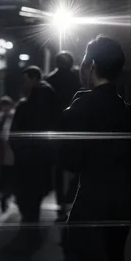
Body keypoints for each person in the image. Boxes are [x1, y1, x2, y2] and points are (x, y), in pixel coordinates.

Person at [59, 35, 130, 261]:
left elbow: (70, 160)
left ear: (91, 66)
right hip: (123, 202)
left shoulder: (82, 106)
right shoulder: (125, 108)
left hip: (91, 200)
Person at [10, 66, 59, 223]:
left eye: (26, 80)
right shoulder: (49, 98)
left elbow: (15, 132)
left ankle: (29, 216)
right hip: (41, 152)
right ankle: (32, 217)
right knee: (35, 189)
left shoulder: (26, 105)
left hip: (28, 154)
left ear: (32, 79)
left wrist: (17, 148)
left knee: (26, 189)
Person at [45, 51, 82, 220]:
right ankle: (71, 198)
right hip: (75, 127)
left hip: (55, 128)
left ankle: (61, 201)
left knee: (58, 167)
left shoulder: (50, 80)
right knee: (77, 165)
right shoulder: (77, 79)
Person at [0, 96, 16, 213]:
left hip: (9, 149)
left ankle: (6, 195)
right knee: (4, 176)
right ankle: (5, 196)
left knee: (9, 175)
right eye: (3, 105)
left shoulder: (12, 117)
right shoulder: (0, 117)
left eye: (6, 105)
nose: (5, 108)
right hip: (2, 150)